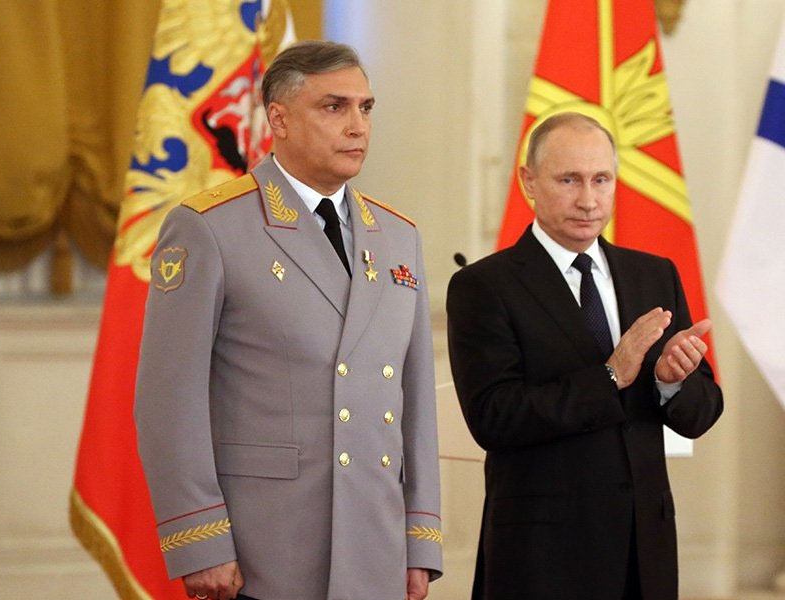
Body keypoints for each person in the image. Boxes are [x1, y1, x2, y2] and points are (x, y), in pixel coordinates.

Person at [134, 41, 443, 600]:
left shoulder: (399, 236)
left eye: (366, 108)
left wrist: (420, 540)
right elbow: (169, 400)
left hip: (375, 544)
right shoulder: (211, 228)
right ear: (278, 119)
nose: (357, 126)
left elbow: (416, 400)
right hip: (266, 547)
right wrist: (200, 541)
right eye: (334, 107)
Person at [446, 112, 722, 600]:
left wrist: (672, 381)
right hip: (542, 555)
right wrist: (611, 375)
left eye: (601, 180)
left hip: (644, 550)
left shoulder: (654, 274)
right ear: (529, 181)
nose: (589, 200)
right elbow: (494, 417)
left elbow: (701, 412)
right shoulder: (484, 286)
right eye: (569, 180)